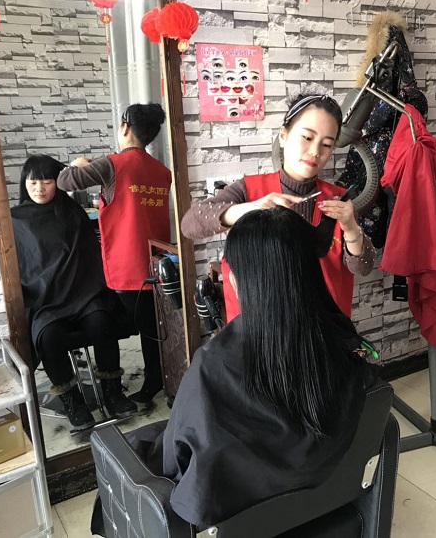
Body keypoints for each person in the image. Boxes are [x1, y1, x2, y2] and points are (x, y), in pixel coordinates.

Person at [91, 207, 378, 531]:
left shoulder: (212, 367)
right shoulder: (345, 346)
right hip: (321, 514)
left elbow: (178, 468)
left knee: (139, 444)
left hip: (233, 525)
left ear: (240, 280)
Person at [181, 94, 376, 320]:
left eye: (326, 144)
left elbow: (363, 267)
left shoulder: (339, 201)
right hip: (262, 328)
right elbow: (189, 224)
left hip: (322, 329)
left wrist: (350, 227)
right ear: (283, 136)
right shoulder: (249, 190)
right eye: (307, 137)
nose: (315, 151)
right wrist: (250, 208)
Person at [57, 103, 172, 409]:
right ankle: (157, 377)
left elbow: (65, 182)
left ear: (124, 128)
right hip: (158, 259)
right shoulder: (163, 172)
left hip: (127, 261)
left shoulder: (112, 164)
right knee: (152, 325)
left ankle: (150, 381)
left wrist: (77, 164)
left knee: (132, 324)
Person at [11, 155, 138, 430]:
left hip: (83, 294)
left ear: (58, 182)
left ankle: (113, 393)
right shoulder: (14, 220)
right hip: (45, 301)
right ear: (24, 183)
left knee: (102, 322)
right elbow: (23, 267)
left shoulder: (72, 211)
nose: (39, 188)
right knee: (48, 337)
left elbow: (89, 257)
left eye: (47, 181)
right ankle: (73, 402)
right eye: (33, 182)